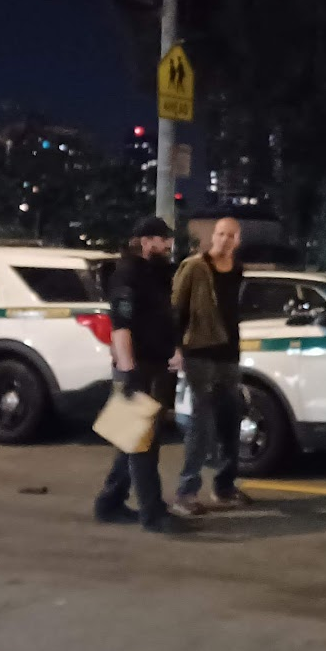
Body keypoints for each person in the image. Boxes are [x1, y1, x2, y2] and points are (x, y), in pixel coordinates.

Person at [94, 216, 191, 534]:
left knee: (132, 438)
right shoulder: (127, 274)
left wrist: (174, 349)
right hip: (137, 367)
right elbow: (121, 327)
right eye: (163, 241)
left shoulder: (158, 273)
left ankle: (108, 503)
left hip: (155, 364)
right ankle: (153, 515)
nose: (167, 246)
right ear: (147, 241)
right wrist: (129, 371)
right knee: (142, 445)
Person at [170, 216, 253, 516]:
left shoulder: (238, 270)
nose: (225, 240)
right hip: (199, 354)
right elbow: (176, 308)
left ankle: (224, 487)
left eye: (231, 235)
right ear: (212, 237)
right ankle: (186, 493)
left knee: (231, 421)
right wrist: (177, 348)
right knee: (202, 425)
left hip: (229, 355)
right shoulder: (194, 267)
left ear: (238, 240)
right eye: (220, 234)